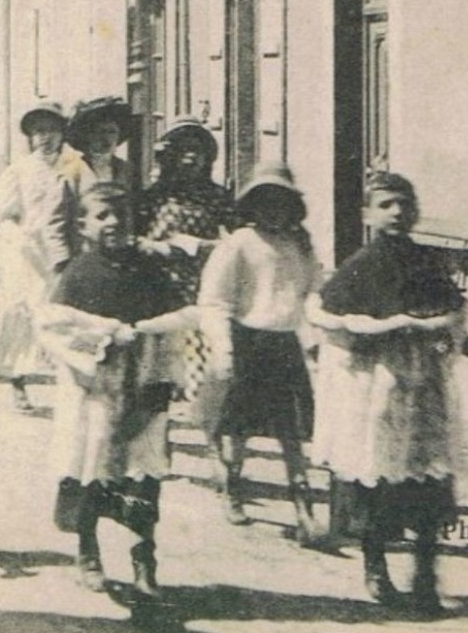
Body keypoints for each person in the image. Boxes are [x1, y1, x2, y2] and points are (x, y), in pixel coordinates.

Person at [308, 172, 467, 616]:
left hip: (423, 387)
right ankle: (376, 567)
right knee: (379, 476)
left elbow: (451, 314)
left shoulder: (428, 262)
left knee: (429, 479)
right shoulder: (361, 264)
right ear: (367, 214)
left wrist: (439, 338)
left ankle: (425, 575)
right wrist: (376, 335)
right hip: (380, 387)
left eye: (404, 204)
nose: (397, 212)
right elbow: (336, 321)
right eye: (386, 204)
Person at [36, 184, 197, 601]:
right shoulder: (76, 274)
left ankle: (145, 559)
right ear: (84, 225)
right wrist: (100, 344)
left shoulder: (150, 273)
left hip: (143, 379)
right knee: (91, 469)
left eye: (121, 217)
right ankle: (87, 550)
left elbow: (170, 329)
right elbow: (58, 332)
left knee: (144, 477)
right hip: (94, 389)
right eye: (103, 215)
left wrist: (162, 378)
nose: (113, 224)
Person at [196, 162, 321, 542]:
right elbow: (214, 301)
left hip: (284, 344)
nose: (273, 210)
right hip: (246, 342)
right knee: (238, 427)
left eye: (281, 202)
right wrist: (223, 347)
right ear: (251, 206)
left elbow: (312, 289)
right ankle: (233, 487)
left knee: (292, 430)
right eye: (264, 202)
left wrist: (314, 337)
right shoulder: (238, 244)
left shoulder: (300, 245)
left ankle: (303, 504)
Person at [0, 98, 93, 411]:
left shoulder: (76, 165)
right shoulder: (20, 170)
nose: (45, 138)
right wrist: (19, 240)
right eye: (39, 131)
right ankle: (19, 384)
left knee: (66, 315)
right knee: (21, 314)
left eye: (52, 130)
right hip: (26, 254)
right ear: (29, 136)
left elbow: (89, 204)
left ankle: (73, 386)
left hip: (64, 250)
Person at [134, 118, 240, 423]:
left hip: (202, 283)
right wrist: (155, 247)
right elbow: (136, 237)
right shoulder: (154, 197)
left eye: (198, 151)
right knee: (162, 354)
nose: (191, 158)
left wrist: (203, 247)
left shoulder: (218, 198)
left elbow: (236, 242)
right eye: (184, 151)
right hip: (160, 284)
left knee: (200, 350)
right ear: (170, 157)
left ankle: (202, 413)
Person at [65, 97, 132, 186]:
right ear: (89, 136)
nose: (106, 138)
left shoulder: (126, 169)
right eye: (101, 132)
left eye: (112, 132)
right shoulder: (75, 169)